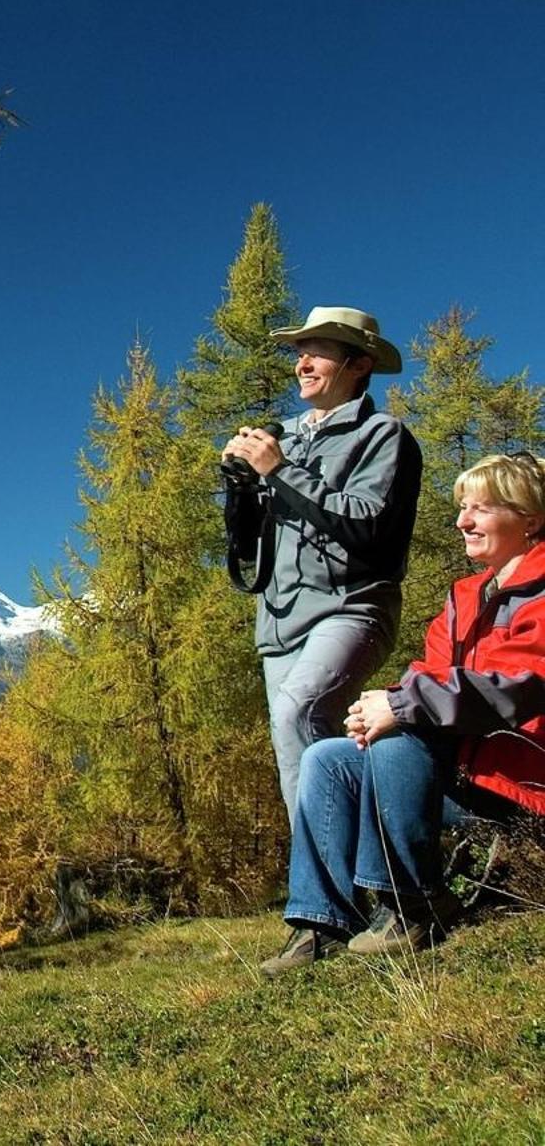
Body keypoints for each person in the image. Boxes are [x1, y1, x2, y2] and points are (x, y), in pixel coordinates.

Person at [262, 452, 545, 973]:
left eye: (480, 509)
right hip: (459, 775)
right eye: (463, 508)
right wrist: (378, 706)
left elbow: (520, 689)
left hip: (517, 784)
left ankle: (412, 901)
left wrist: (400, 707)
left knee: (400, 730)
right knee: (328, 757)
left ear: (529, 518)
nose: (462, 521)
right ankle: (322, 921)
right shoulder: (465, 598)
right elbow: (428, 676)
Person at [221, 306, 422, 823]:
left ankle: (356, 878)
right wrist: (241, 488)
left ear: (359, 364)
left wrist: (281, 471)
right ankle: (334, 891)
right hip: (281, 618)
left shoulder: (382, 435)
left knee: (299, 714)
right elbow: (248, 548)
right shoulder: (279, 436)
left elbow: (367, 523)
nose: (303, 363)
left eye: (318, 352)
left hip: (351, 606)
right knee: (296, 757)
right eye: (299, 353)